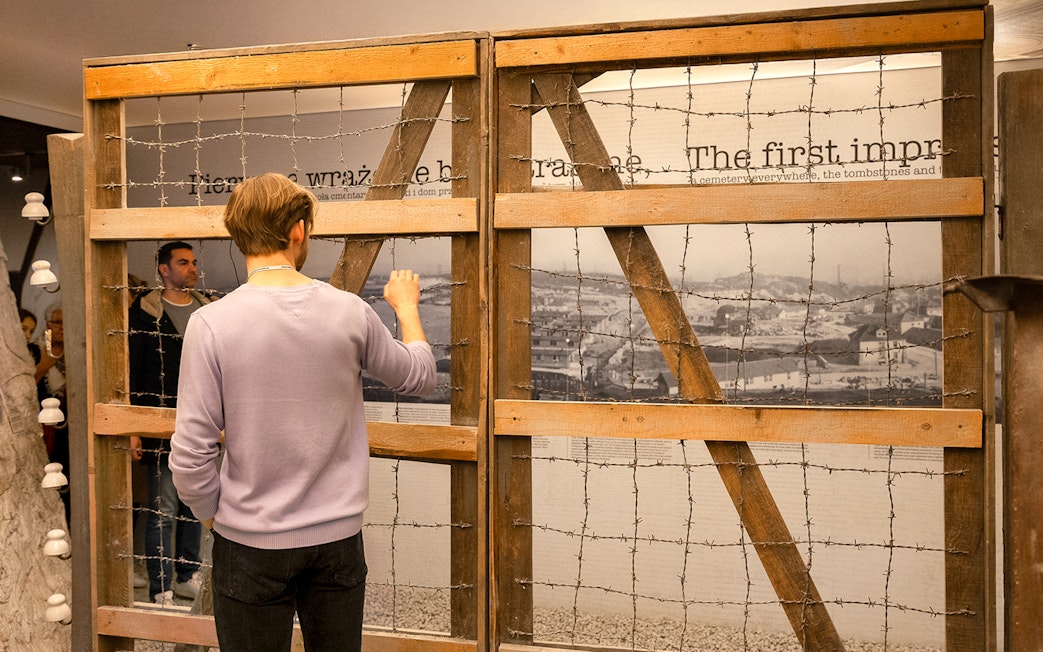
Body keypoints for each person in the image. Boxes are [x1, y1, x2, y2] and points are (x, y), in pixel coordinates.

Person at [170, 172, 436, 652]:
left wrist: (216, 516)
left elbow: (190, 455)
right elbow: (418, 375)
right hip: (336, 541)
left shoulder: (210, 324)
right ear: (298, 230)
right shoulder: (350, 312)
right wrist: (407, 307)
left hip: (248, 540)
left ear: (237, 234)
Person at [128, 242, 210, 605]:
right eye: (183, 262)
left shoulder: (209, 309)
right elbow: (129, 370)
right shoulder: (143, 312)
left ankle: (186, 575)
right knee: (163, 507)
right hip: (158, 421)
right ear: (163, 269)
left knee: (195, 504)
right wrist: (133, 426)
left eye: (194, 262)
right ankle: (159, 586)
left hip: (203, 421)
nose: (191, 268)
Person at [35, 303, 70, 523]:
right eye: (57, 322)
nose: (61, 328)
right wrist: (44, 366)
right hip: (44, 430)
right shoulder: (36, 350)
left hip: (69, 433)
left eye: (66, 323)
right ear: (48, 324)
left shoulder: (76, 351)